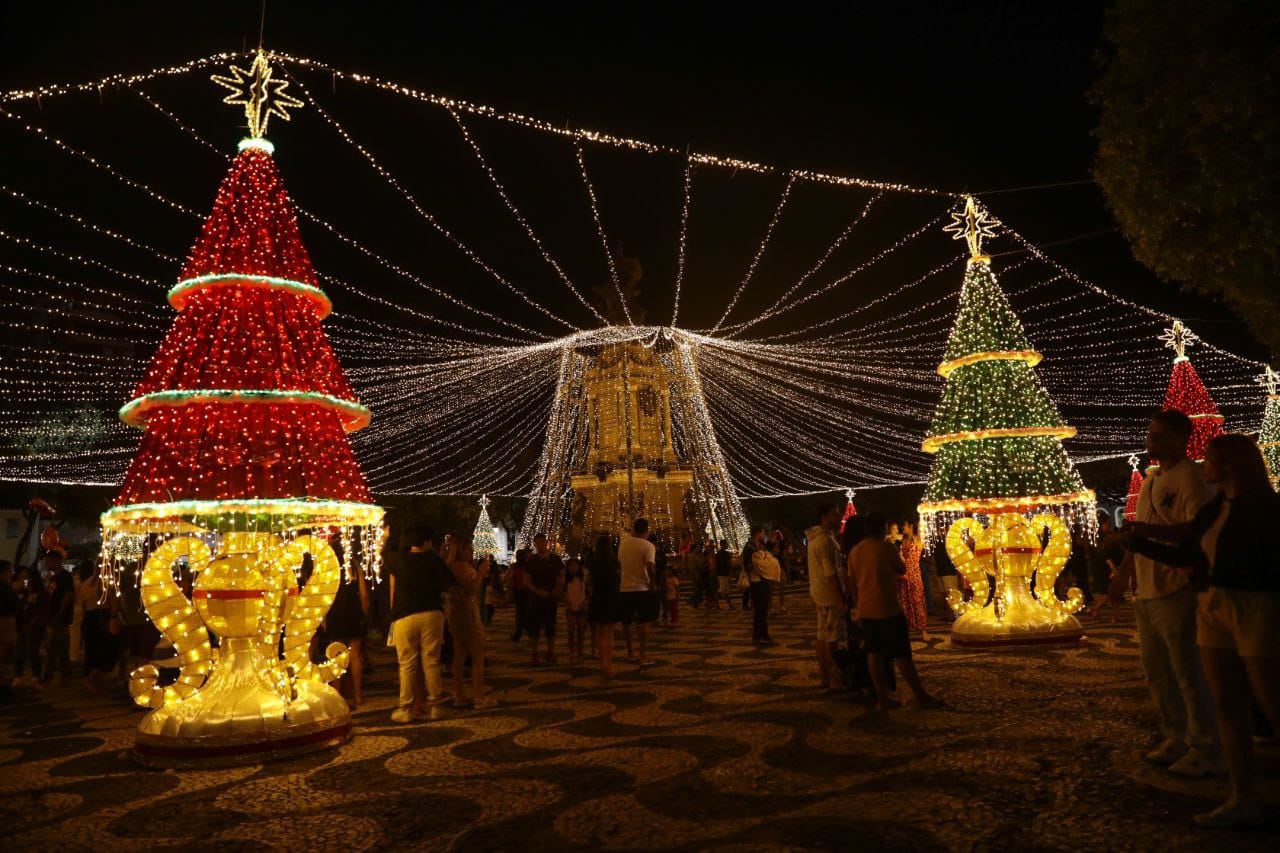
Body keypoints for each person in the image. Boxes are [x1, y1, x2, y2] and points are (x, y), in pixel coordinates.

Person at [1127, 434, 1280, 828]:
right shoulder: (1216, 509)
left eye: (1209, 459)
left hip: (1254, 606)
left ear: (1229, 465)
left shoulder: (1266, 509)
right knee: (1227, 705)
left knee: (1271, 701)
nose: (1203, 465)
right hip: (1213, 608)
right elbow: (1186, 549)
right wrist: (1138, 543)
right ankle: (1242, 794)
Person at [1105, 410, 1221, 779]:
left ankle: (1205, 745)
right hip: (1148, 590)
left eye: (1159, 436)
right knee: (1157, 672)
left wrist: (1145, 542)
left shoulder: (1190, 478)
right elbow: (1140, 534)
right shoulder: (1152, 480)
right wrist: (1123, 575)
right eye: (1150, 435)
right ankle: (1175, 735)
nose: (1151, 442)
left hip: (1176, 587)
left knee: (1188, 671)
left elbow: (1194, 530)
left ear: (1179, 439)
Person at [847, 512, 941, 711]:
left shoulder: (855, 551)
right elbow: (900, 568)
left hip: (866, 609)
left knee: (874, 652)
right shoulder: (885, 547)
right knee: (902, 653)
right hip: (888, 608)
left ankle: (883, 698)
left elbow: (852, 582)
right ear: (881, 528)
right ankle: (920, 695)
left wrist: (858, 605)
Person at [388, 525, 453, 723]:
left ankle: (406, 709)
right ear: (426, 541)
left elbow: (391, 586)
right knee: (431, 660)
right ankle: (435, 705)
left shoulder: (396, 559)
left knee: (406, 664)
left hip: (404, 615)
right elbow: (448, 584)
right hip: (432, 613)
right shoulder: (433, 559)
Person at [446, 536, 492, 708]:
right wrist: (480, 572)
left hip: (464, 610)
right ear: (459, 551)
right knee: (476, 653)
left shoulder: (461, 566)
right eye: (468, 549)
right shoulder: (458, 566)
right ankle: (478, 696)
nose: (471, 552)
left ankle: (459, 694)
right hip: (464, 612)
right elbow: (471, 589)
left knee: (461, 653)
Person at [324, 553, 371, 708]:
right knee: (355, 656)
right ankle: (358, 696)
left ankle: (338, 695)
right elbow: (364, 594)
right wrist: (364, 612)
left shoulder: (327, 566)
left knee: (336, 656)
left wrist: (324, 619)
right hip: (353, 613)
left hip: (334, 614)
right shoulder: (355, 565)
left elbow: (324, 595)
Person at [807, 502, 846, 691]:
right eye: (835, 514)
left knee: (822, 636)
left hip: (819, 593)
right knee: (832, 639)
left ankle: (825, 678)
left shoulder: (815, 538)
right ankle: (834, 680)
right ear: (824, 516)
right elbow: (831, 574)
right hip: (829, 596)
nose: (839, 518)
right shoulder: (825, 541)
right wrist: (840, 599)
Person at [618, 518, 659, 666]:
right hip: (642, 588)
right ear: (647, 530)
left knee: (627, 622)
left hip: (624, 587)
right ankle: (643, 655)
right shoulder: (648, 545)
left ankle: (630, 653)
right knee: (644, 623)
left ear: (633, 529)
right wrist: (653, 584)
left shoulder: (623, 543)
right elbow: (650, 566)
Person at [524, 533, 564, 666]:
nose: (540, 544)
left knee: (550, 626)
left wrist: (557, 588)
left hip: (551, 597)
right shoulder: (532, 561)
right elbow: (527, 581)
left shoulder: (555, 559)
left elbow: (560, 575)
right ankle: (534, 654)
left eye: (542, 541)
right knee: (534, 628)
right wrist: (538, 592)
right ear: (535, 544)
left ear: (546, 542)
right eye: (538, 542)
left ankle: (550, 652)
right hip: (536, 598)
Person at [588, 535, 621, 677]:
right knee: (609, 634)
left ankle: (603, 663)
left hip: (597, 598)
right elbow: (618, 581)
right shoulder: (614, 562)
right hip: (610, 598)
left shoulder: (592, 561)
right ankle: (609, 665)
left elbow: (589, 580)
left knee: (601, 634)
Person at [41, 559, 75, 688]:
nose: (45, 564)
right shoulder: (54, 577)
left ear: (55, 561)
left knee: (58, 647)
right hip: (52, 616)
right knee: (55, 647)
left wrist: (60, 612)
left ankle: (54, 675)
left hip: (60, 618)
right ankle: (61, 675)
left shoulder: (65, 576)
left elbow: (68, 594)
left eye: (47, 562)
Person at [898, 522, 932, 643]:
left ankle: (923, 630)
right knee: (906, 603)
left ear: (911, 526)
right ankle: (906, 629)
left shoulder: (917, 540)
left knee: (917, 602)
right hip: (904, 576)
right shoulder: (902, 541)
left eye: (905, 525)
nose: (903, 528)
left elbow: (922, 528)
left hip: (915, 575)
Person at [13, 565, 47, 686]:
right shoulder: (23, 591)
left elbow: (41, 610)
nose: (27, 580)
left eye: (28, 577)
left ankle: (36, 676)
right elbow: (20, 607)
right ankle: (19, 675)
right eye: (24, 577)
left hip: (35, 626)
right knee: (19, 651)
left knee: (33, 650)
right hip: (21, 625)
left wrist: (32, 622)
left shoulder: (41, 592)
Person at [742, 527, 774, 645]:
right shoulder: (749, 548)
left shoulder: (757, 546)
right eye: (763, 533)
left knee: (763, 609)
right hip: (756, 582)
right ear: (758, 533)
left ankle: (764, 634)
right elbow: (749, 565)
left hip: (762, 581)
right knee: (759, 610)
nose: (764, 535)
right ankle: (758, 636)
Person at [564, 558, 589, 663]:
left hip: (581, 607)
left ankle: (580, 652)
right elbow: (563, 591)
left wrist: (585, 602)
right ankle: (571, 652)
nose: (573, 568)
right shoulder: (565, 579)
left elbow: (589, 591)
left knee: (580, 631)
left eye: (575, 565)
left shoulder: (584, 578)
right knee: (571, 631)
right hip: (570, 607)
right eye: (571, 566)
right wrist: (567, 602)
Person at [509, 548, 530, 643]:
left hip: (523, 591)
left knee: (522, 613)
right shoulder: (524, 566)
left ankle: (520, 633)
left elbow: (510, 578)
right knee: (523, 613)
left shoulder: (518, 566)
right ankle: (522, 633)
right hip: (523, 591)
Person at [714, 539, 734, 610]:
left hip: (719, 573)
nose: (727, 545)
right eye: (726, 543)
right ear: (723, 544)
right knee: (721, 589)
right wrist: (731, 570)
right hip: (724, 573)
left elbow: (715, 563)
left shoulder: (718, 553)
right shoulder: (726, 554)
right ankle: (715, 603)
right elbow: (729, 563)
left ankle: (730, 605)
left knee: (726, 591)